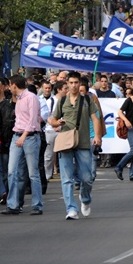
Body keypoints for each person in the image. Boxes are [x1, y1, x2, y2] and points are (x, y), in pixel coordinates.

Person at [50, 71, 103, 220]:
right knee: (66, 178)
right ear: (67, 84)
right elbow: (52, 119)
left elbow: (95, 118)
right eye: (71, 83)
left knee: (86, 177)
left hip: (83, 142)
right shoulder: (61, 101)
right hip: (66, 142)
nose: (73, 86)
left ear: (80, 84)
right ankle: (71, 208)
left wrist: (97, 136)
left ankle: (85, 199)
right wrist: (57, 122)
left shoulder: (87, 100)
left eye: (76, 83)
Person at [1, 75, 44, 216]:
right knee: (12, 171)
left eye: (9, 85)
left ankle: (37, 205)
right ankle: (13, 204)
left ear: (14, 85)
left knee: (33, 173)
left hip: (30, 137)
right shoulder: (18, 99)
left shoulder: (31, 98)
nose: (8, 88)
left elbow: (32, 120)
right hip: (17, 135)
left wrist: (24, 136)